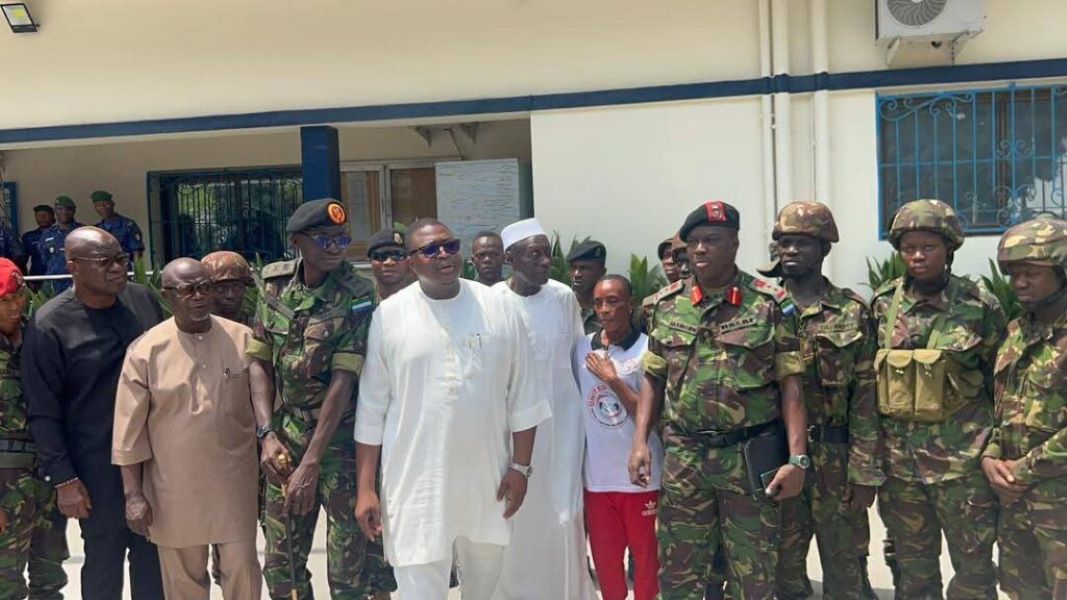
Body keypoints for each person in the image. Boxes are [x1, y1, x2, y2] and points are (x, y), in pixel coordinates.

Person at [354, 218, 550, 599]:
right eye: (430, 250)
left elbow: (524, 395)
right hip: (416, 485)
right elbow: (372, 410)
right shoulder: (390, 316)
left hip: (487, 481)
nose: (443, 254)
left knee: (484, 587)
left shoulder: (498, 308)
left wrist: (521, 467)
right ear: (412, 262)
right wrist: (366, 490)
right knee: (419, 588)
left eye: (450, 245)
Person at [630, 200, 808, 599]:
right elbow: (653, 378)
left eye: (711, 240)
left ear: (734, 244)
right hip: (686, 460)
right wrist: (640, 441)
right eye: (693, 241)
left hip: (749, 459)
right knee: (679, 575)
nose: (699, 249)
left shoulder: (769, 304)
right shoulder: (664, 306)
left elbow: (791, 386)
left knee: (754, 576)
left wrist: (797, 459)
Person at [246, 198, 391, 599]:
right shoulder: (273, 284)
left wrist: (310, 463)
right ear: (297, 241)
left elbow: (344, 380)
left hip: (340, 444)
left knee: (348, 571)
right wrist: (267, 435)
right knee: (282, 567)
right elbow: (259, 361)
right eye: (324, 239)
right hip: (285, 439)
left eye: (341, 239)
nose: (335, 247)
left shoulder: (357, 293)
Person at [870, 199, 1002, 599]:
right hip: (901, 469)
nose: (917, 256)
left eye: (928, 246)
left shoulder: (978, 305)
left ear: (949, 248)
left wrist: (995, 449)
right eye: (909, 248)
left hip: (962, 466)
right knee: (913, 573)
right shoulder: (883, 304)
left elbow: (1000, 383)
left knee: (974, 570)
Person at [23, 227, 164, 599]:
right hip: (95, 470)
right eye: (106, 262)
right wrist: (64, 480)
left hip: (153, 460)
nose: (119, 268)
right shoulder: (49, 325)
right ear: (73, 266)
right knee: (104, 565)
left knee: (154, 562)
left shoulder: (142, 301)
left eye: (121, 259)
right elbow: (42, 411)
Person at [112, 259, 261, 599]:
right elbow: (128, 433)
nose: (199, 296)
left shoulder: (243, 339)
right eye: (187, 290)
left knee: (243, 571)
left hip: (233, 485)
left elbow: (266, 407)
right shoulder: (146, 350)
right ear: (167, 296)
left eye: (205, 288)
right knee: (184, 584)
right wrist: (133, 496)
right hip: (174, 489)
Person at [758, 202, 882, 600]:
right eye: (785, 243)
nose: (791, 251)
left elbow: (865, 397)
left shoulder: (851, 311)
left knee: (846, 570)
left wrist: (864, 471)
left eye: (803, 243)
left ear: (824, 249)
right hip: (776, 456)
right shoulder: (760, 309)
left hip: (836, 459)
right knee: (782, 570)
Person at [492, 217, 596, 600]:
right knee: (516, 521)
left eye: (547, 253)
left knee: (564, 517)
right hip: (513, 434)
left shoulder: (563, 296)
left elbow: (577, 358)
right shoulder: (492, 302)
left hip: (563, 428)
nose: (545, 261)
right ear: (510, 258)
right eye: (534, 254)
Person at [982, 216, 1067, 598]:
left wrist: (1022, 471)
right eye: (1014, 274)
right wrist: (991, 456)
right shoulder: (1017, 331)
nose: (1019, 283)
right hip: (1016, 504)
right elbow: (1005, 407)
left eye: (1031, 273)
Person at [576, 274, 662, 600]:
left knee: (647, 565)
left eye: (613, 301)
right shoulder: (581, 348)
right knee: (607, 566)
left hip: (641, 480)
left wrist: (613, 380)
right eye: (598, 302)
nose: (604, 309)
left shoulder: (647, 349)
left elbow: (650, 415)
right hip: (598, 482)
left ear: (630, 304)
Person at [0, 258, 68, 599]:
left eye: (19, 295)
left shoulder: (41, 335)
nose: (15, 305)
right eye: (4, 300)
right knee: (5, 579)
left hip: (47, 473)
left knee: (50, 574)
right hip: (5, 482)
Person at [39, 196, 83, 293]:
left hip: (76, 282)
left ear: (74, 211)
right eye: (60, 209)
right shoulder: (47, 233)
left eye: (68, 209)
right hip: (52, 283)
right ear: (55, 211)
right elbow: (44, 258)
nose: (64, 212)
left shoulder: (83, 231)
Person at [202, 251, 255, 325]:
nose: (230, 295)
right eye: (221, 288)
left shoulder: (257, 327)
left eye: (237, 287)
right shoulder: (194, 328)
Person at [568, 240, 608, 334]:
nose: (577, 274)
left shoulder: (608, 312)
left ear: (602, 272)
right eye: (574, 268)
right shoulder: (562, 305)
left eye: (584, 268)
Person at [92, 191, 145, 261]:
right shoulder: (97, 229)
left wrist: (138, 268)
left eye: (106, 204)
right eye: (98, 206)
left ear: (112, 204)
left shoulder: (128, 225)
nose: (103, 208)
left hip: (124, 265)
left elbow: (137, 253)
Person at [366, 228, 413, 301]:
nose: (389, 262)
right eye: (380, 256)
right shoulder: (359, 300)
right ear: (370, 261)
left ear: (410, 261)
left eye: (397, 255)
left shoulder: (424, 299)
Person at [20, 204, 56, 277]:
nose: (42, 218)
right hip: (36, 277)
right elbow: (22, 260)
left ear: (52, 216)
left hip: (58, 276)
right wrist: (25, 278)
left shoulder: (59, 234)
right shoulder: (29, 237)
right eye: (38, 215)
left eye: (45, 215)